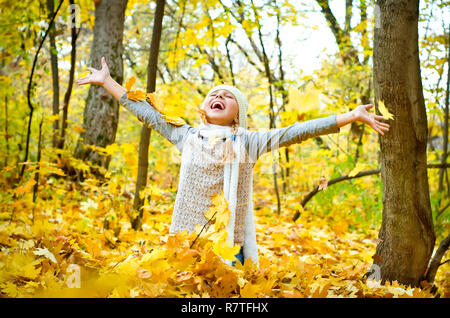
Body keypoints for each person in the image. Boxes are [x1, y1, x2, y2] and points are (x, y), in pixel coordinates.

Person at [76, 57, 390, 268]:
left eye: (227, 97)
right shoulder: (186, 136)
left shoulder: (248, 143)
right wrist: (107, 82)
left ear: (236, 113)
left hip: (229, 247)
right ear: (204, 107)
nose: (219, 97)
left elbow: (296, 132)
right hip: (187, 242)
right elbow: (146, 112)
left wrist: (350, 116)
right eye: (215, 94)